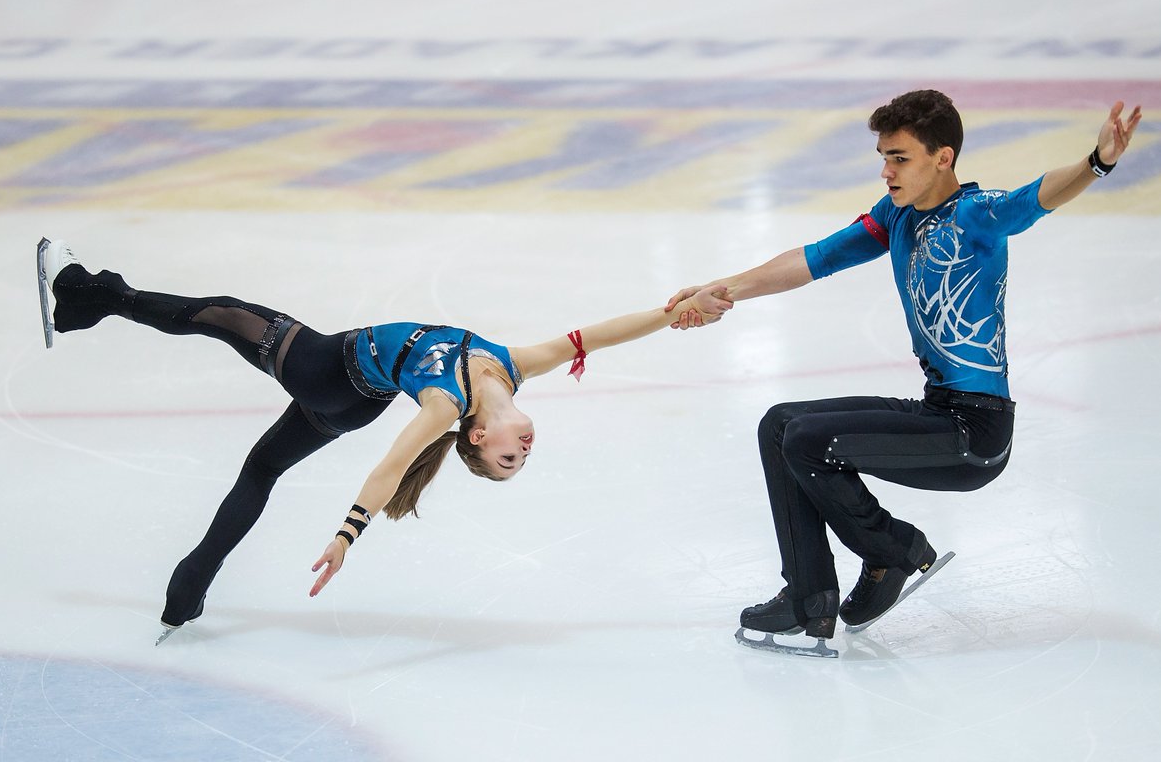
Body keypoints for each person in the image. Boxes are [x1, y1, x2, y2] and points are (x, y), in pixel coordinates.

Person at [37, 242, 731, 637]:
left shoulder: (445, 402)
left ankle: (85, 290)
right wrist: (675, 312)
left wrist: (346, 536)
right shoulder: (517, 366)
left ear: (479, 435)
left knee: (214, 314)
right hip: (348, 403)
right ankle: (186, 592)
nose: (525, 450)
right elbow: (598, 335)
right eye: (522, 457)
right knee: (260, 470)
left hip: (323, 369)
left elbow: (390, 468)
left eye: (507, 459)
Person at [666, 91, 1143, 649]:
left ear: (943, 158)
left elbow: (1037, 196)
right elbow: (811, 259)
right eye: (884, 156)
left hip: (976, 433)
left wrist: (1098, 161)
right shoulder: (894, 216)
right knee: (779, 425)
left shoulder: (977, 214)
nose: (886, 170)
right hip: (937, 412)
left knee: (808, 441)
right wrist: (721, 290)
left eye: (900, 157)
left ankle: (894, 552)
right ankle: (808, 597)